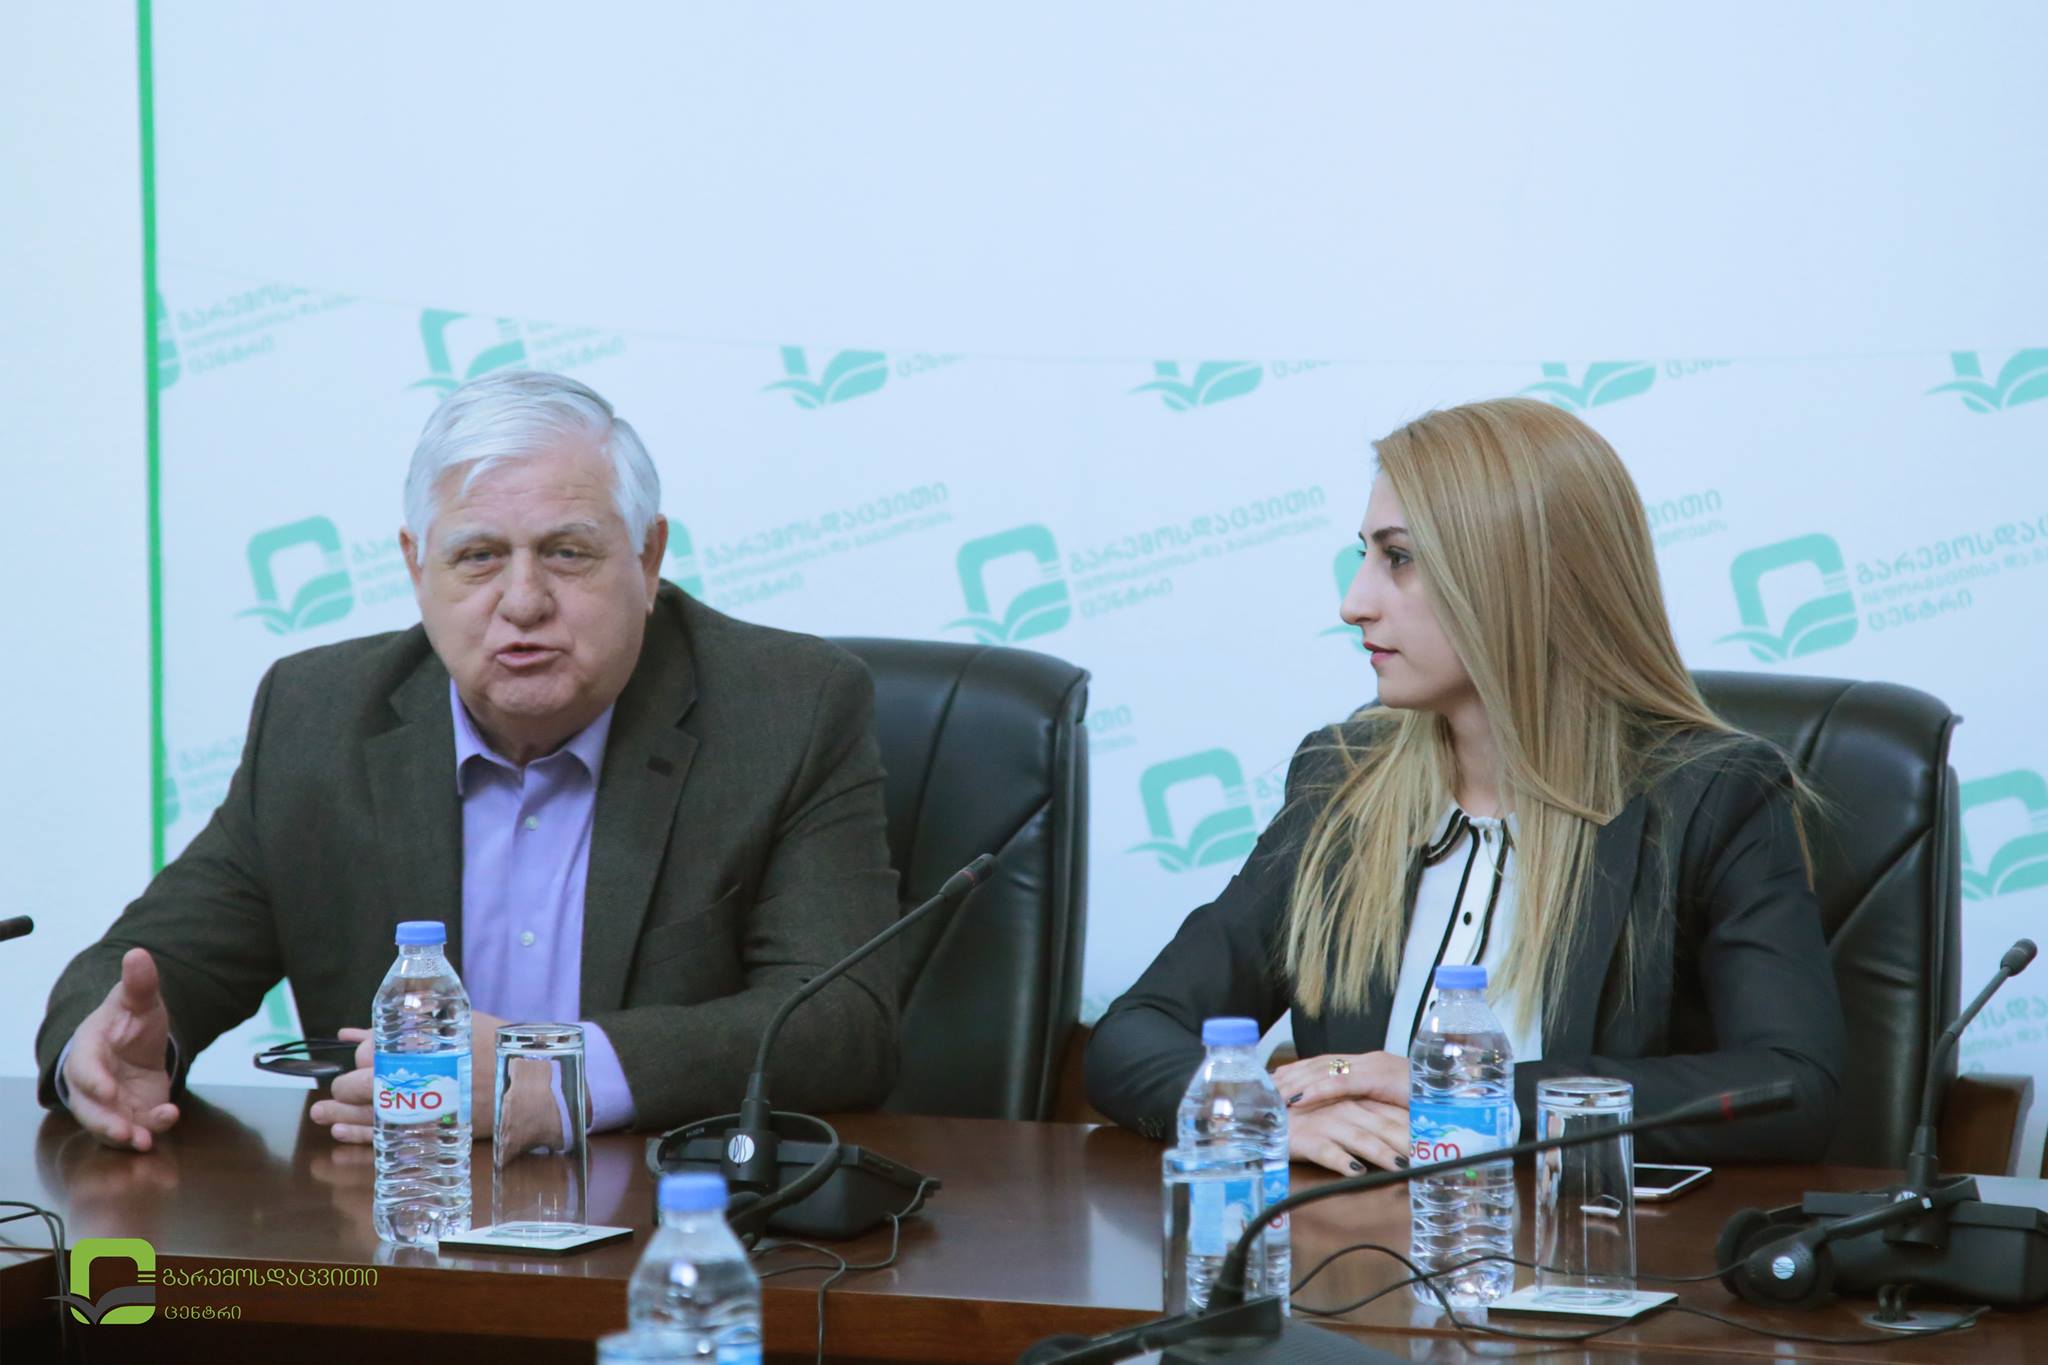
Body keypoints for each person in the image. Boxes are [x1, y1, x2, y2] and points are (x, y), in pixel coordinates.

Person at [37, 369, 900, 1150]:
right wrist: (103, 1047)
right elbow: (161, 964)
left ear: (647, 559)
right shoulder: (317, 716)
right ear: (417, 566)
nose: (522, 601)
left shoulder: (788, 708)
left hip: (670, 1216)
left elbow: (841, 1021)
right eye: (479, 556)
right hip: (391, 1222)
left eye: (567, 552)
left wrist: (556, 1073)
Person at [1086, 397, 1845, 1174]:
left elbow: (1793, 1089)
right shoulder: (1343, 780)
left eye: (1399, 557)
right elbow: (1133, 1033)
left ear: (1520, 579)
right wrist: (1260, 1120)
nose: (1353, 603)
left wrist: (1465, 1093)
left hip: (1586, 1240)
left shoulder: (1712, 798)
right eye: (1364, 555)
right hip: (1355, 1240)